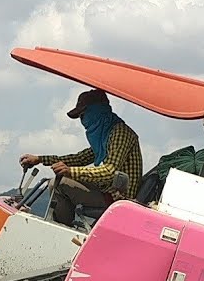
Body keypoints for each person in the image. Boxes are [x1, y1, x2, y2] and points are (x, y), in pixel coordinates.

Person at [19, 89, 143, 225]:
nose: (83, 121)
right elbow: (81, 158)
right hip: (107, 192)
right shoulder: (105, 137)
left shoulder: (120, 133)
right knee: (60, 180)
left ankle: (59, 228)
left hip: (118, 198)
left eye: (84, 115)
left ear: (96, 111)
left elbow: (110, 171)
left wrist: (70, 171)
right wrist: (40, 159)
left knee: (60, 183)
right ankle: (60, 224)